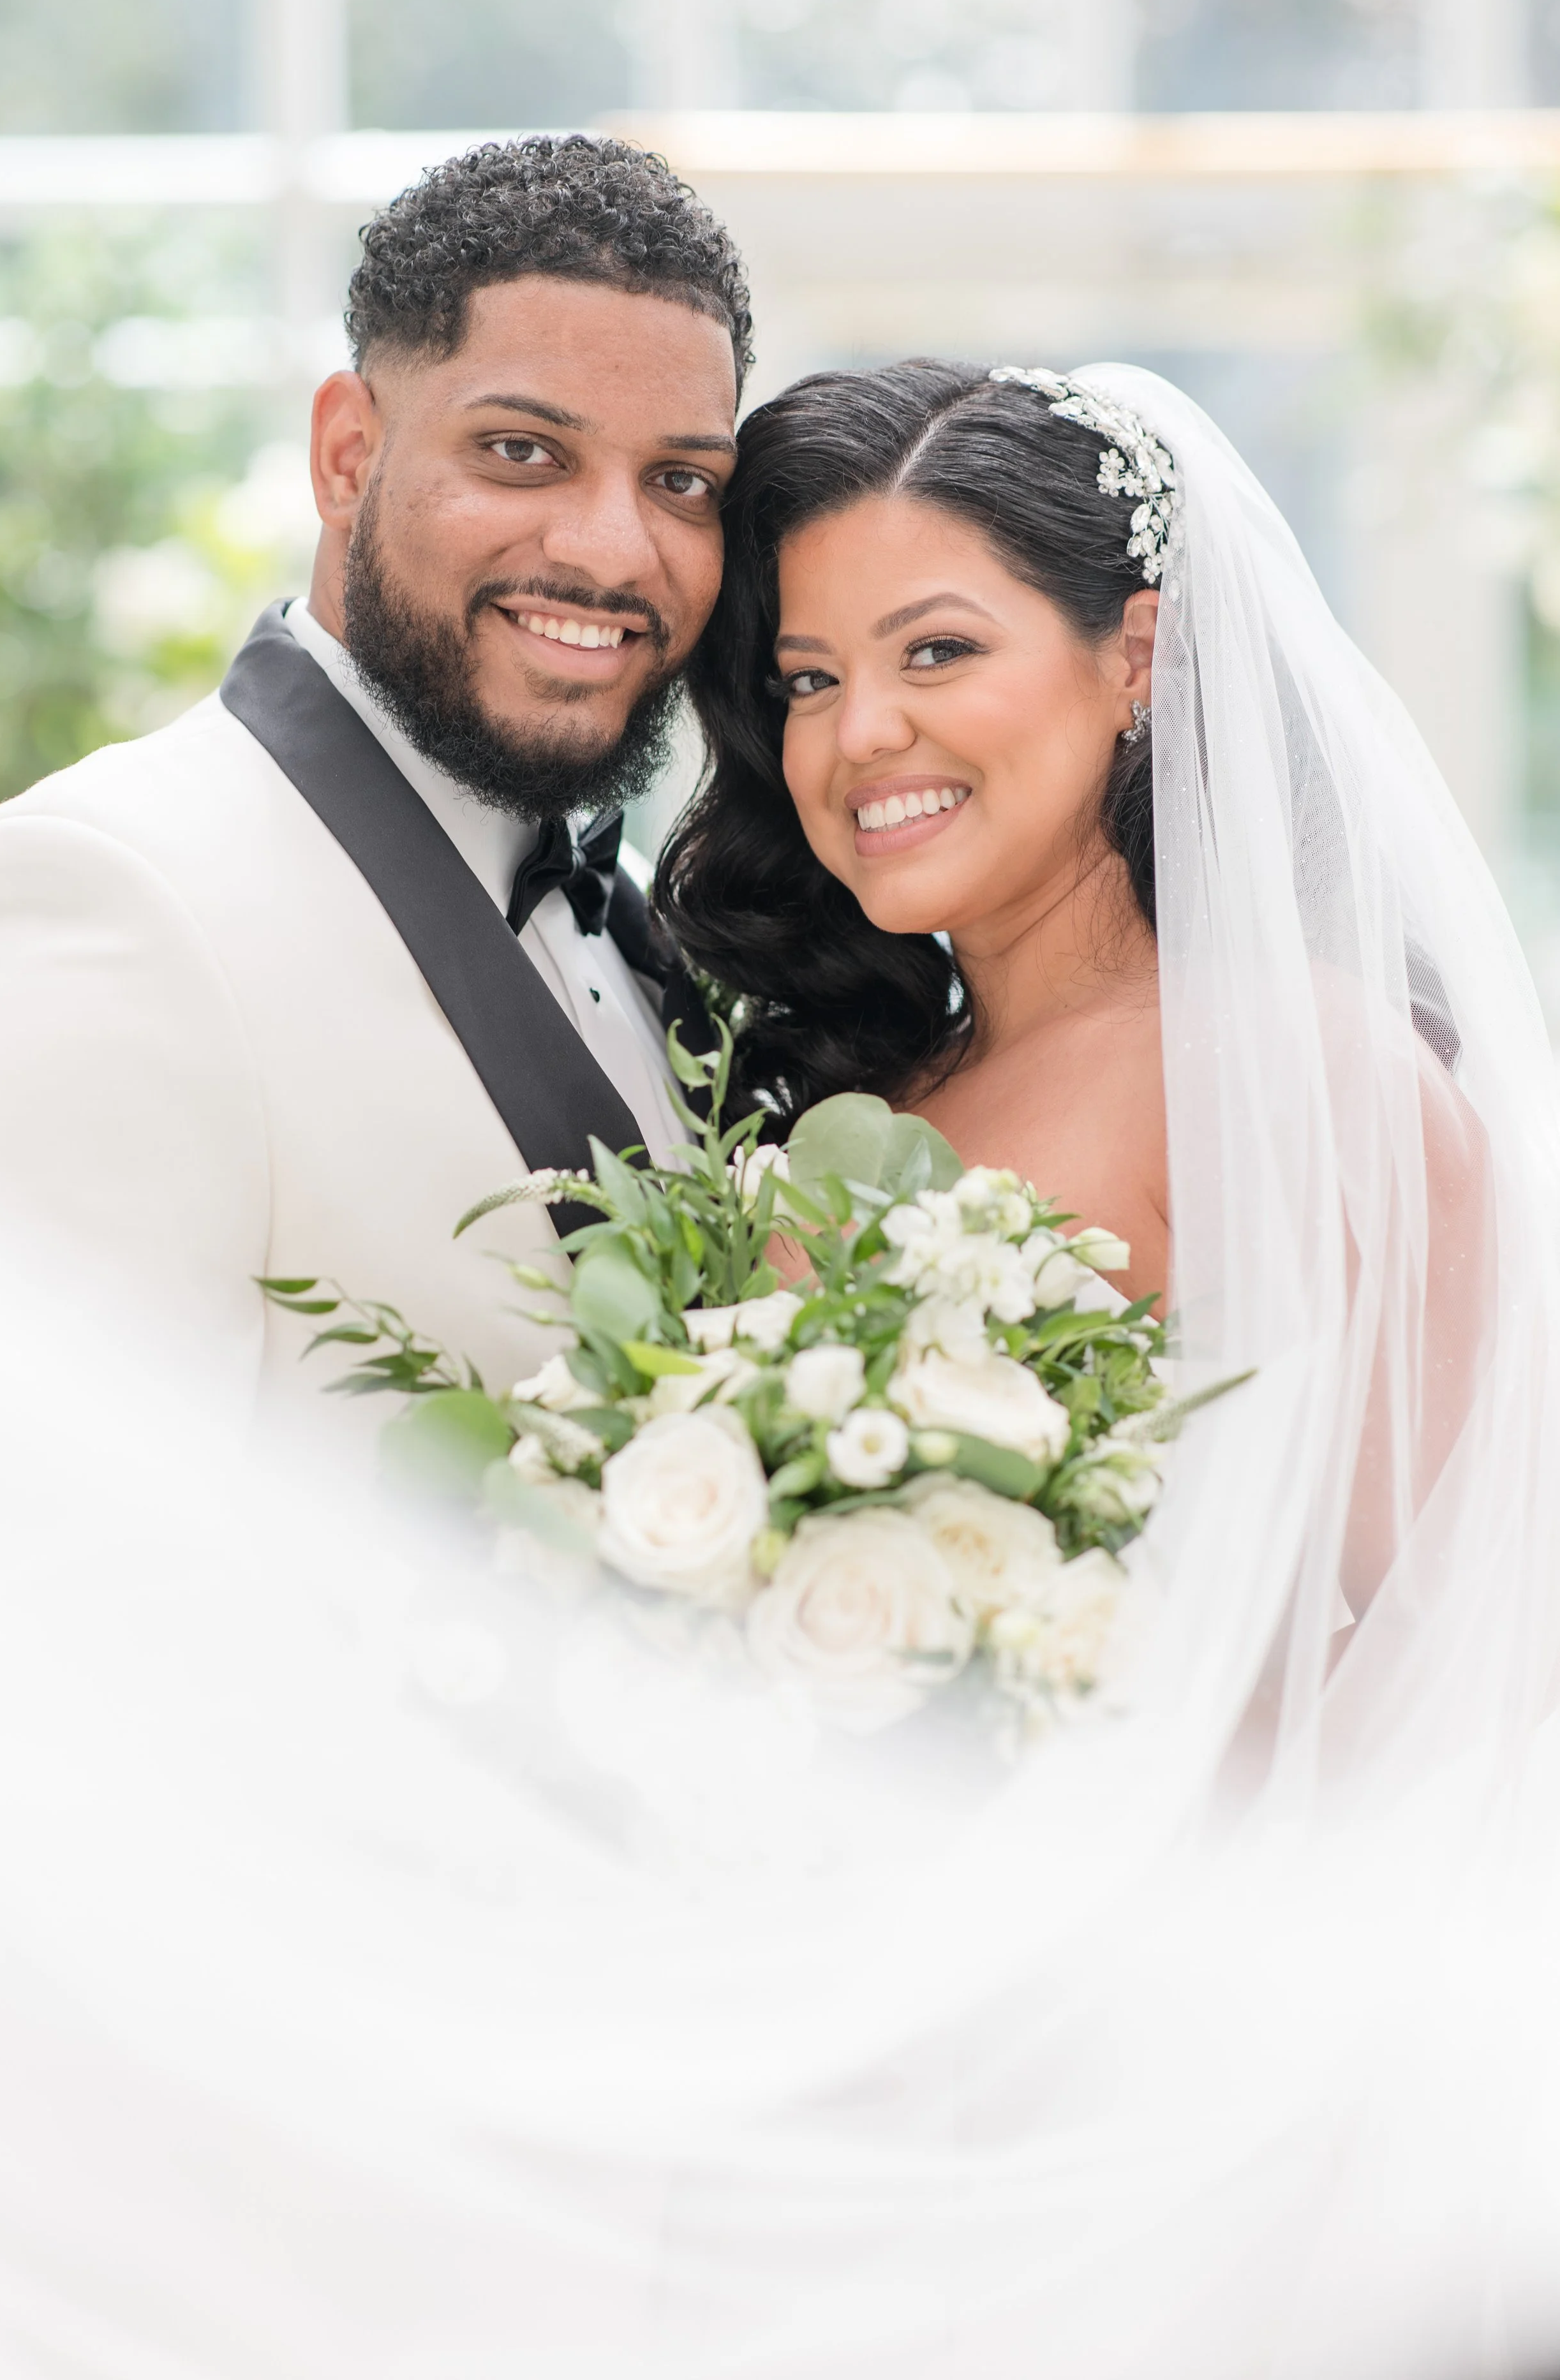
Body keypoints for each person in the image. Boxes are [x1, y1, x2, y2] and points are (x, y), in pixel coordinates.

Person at [662, 357, 1560, 1777]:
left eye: (936, 652)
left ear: (1132, 655)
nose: (861, 732)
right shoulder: (871, 1090)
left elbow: (1485, 1627)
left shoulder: (1285, 1066)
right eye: (810, 680)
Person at [0, 135, 748, 1440]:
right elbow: (47, 1576)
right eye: (521, 452)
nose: (614, 549)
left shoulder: (635, 920)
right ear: (343, 456)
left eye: (680, 482)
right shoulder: (109, 889)